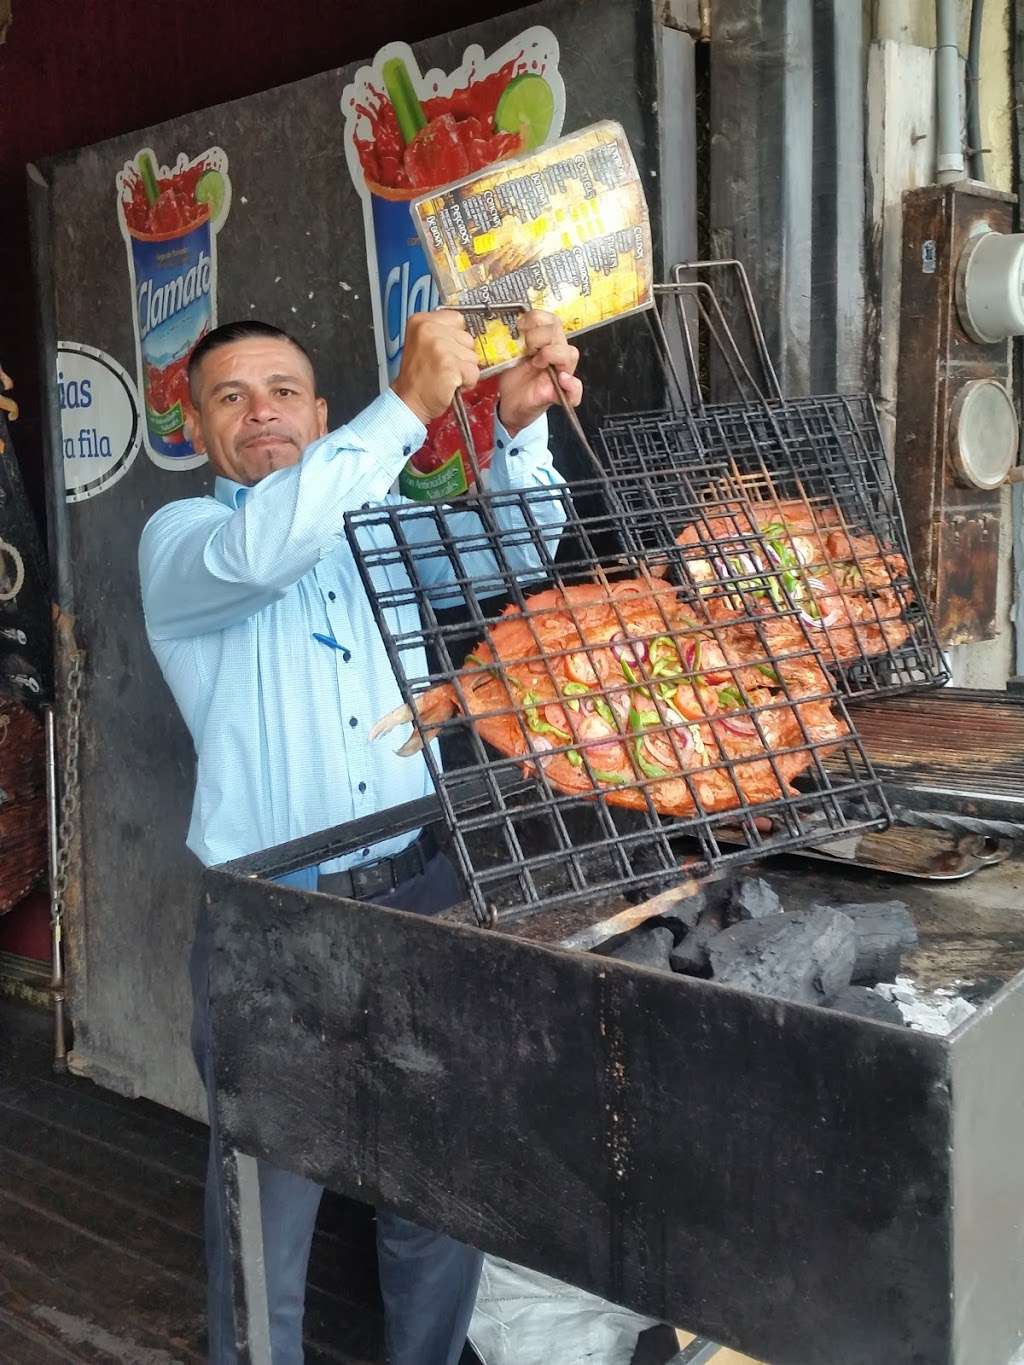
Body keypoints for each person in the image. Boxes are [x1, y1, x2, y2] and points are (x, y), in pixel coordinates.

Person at [138, 308, 583, 1365]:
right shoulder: (184, 545)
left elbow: (510, 550)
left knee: (434, 1184)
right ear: (199, 430)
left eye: (284, 391)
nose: (261, 414)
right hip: (272, 922)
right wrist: (406, 411)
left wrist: (515, 433)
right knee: (265, 1210)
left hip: (417, 893)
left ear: (317, 410)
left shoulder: (367, 514)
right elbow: (265, 550)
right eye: (231, 398)